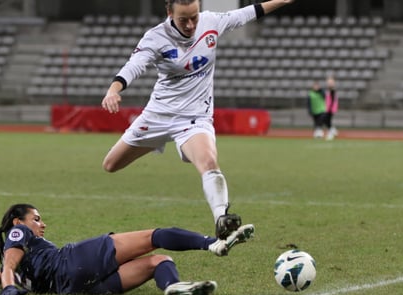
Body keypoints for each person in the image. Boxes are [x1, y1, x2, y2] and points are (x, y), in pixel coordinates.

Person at [100, 0, 296, 241]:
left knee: (209, 161)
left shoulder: (211, 22)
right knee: (110, 165)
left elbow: (247, 13)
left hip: (194, 118)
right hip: (158, 115)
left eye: (194, 16)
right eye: (184, 19)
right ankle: (153, 142)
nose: (191, 24)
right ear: (169, 13)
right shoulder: (155, 37)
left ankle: (222, 218)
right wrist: (113, 89)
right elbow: (134, 66)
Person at [0, 203, 255, 295]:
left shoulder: (18, 255)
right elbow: (8, 268)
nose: (42, 223)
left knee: (160, 261)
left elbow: (2, 271)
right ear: (18, 222)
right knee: (153, 237)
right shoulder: (18, 233)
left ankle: (174, 287)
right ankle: (213, 243)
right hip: (71, 261)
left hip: (75, 289)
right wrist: (8, 287)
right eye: (36, 219)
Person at [324, 75, 338, 140]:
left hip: (330, 109)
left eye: (330, 82)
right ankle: (333, 130)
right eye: (328, 82)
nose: (329, 83)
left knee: (327, 121)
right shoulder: (328, 90)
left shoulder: (332, 90)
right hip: (327, 108)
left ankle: (331, 133)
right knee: (327, 121)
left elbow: (333, 100)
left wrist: (330, 108)